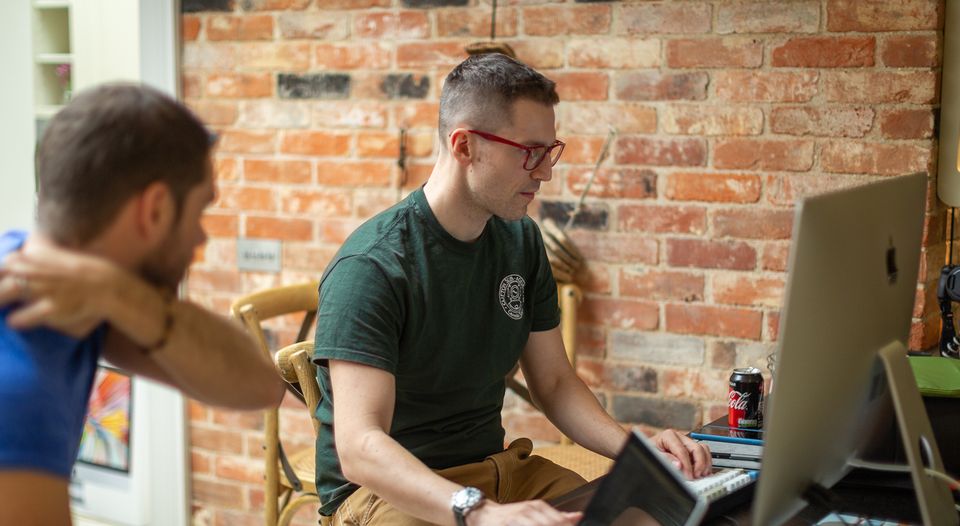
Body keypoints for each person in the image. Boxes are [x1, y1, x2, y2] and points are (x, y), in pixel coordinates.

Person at [312, 53, 711, 526]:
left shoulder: (520, 240)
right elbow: (360, 448)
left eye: (550, 150)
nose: (544, 172)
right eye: (530, 151)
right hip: (387, 492)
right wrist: (478, 514)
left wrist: (638, 452)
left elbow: (555, 383)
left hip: (498, 473)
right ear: (464, 147)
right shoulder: (373, 266)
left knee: (648, 515)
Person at [0, 84, 286, 525]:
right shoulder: (20, 387)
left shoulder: (74, 296)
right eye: (199, 213)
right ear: (153, 210)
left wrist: (114, 289)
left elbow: (260, 386)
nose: (200, 238)